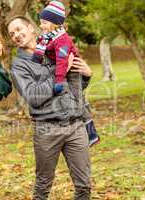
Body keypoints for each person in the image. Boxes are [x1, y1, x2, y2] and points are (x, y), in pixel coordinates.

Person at [7, 16, 92, 199]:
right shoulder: (19, 66)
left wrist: (85, 75)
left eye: (19, 29)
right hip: (47, 128)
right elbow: (33, 97)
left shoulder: (55, 46)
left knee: (84, 185)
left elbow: (74, 87)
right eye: (12, 34)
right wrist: (58, 71)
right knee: (43, 186)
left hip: (75, 125)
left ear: (30, 28)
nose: (16, 35)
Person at [32, 1, 100, 146]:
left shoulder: (62, 40)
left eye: (44, 23)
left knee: (77, 100)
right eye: (41, 22)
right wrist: (37, 57)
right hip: (64, 71)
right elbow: (43, 49)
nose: (41, 26)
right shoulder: (49, 36)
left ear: (54, 23)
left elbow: (62, 62)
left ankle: (90, 133)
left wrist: (58, 80)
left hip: (73, 71)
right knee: (73, 99)